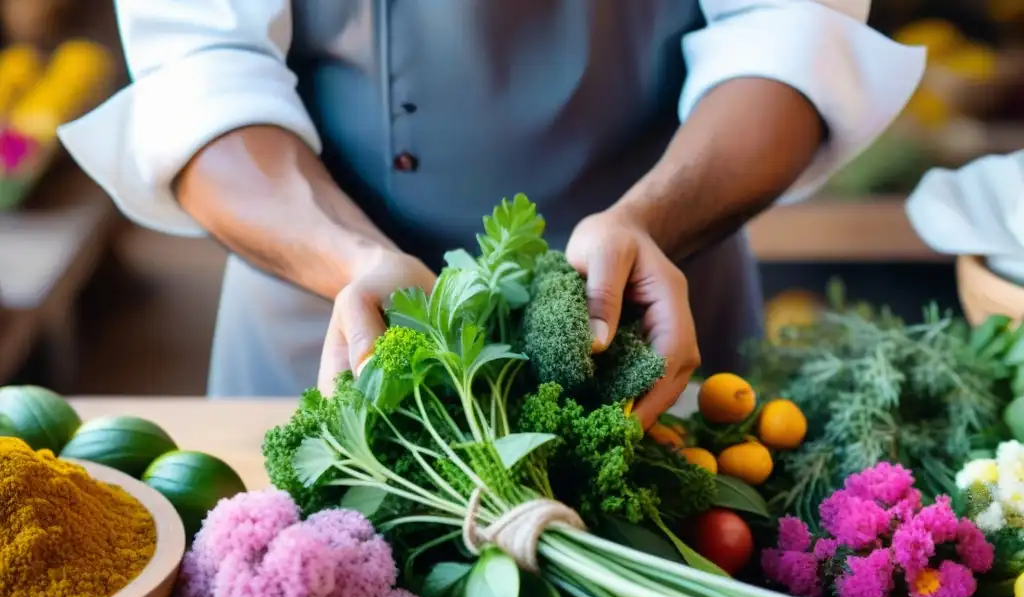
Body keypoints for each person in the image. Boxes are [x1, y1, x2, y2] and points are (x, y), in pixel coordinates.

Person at [60, 1, 924, 429]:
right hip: (328, 321)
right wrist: (344, 260)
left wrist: (653, 220)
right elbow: (201, 68)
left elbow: (791, 27)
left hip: (654, 326)